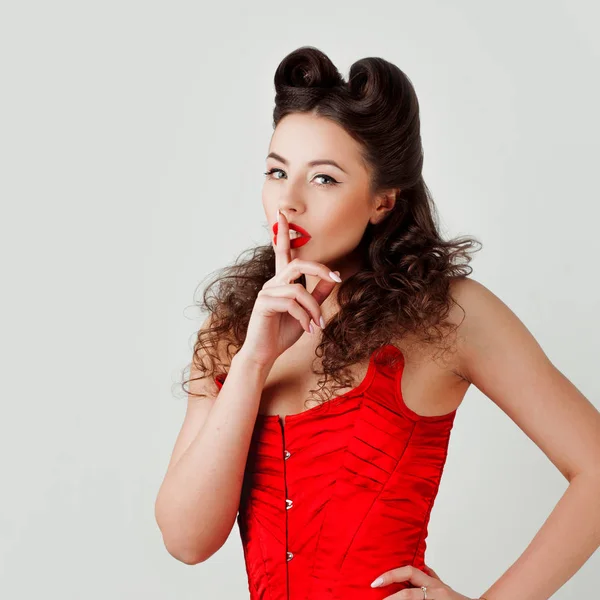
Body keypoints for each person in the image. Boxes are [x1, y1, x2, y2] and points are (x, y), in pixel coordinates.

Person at [154, 46, 600, 600]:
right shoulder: (232, 329)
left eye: (323, 180)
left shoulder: (446, 314)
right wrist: (252, 361)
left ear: (383, 201)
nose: (287, 203)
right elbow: (187, 540)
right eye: (276, 172)